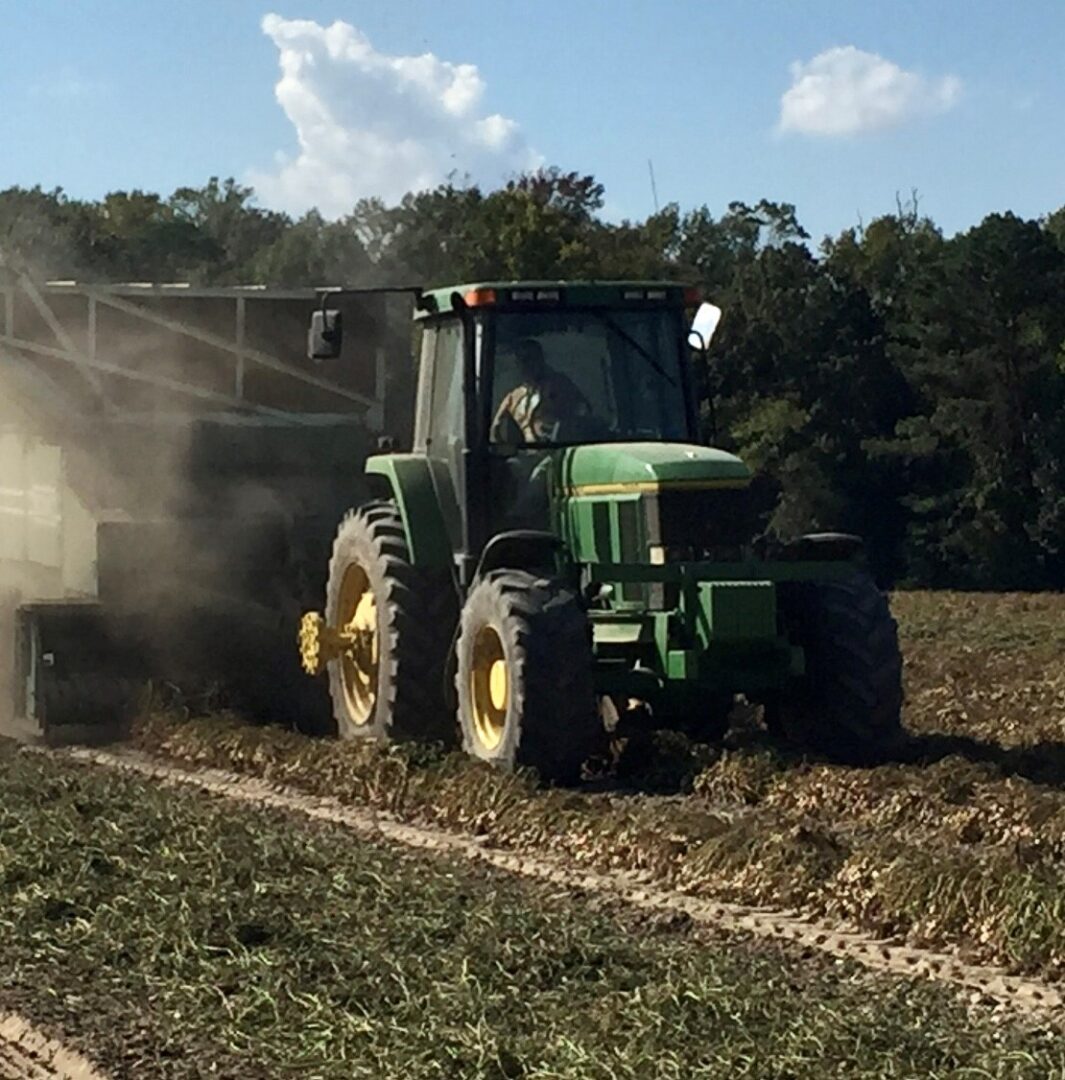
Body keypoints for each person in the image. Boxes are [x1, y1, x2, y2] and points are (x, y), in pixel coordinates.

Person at [490, 339, 591, 444]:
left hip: (554, 451)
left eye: (531, 359)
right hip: (521, 455)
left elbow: (583, 412)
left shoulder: (560, 385)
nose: (526, 365)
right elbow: (496, 429)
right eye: (521, 360)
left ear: (541, 359)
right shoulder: (513, 398)